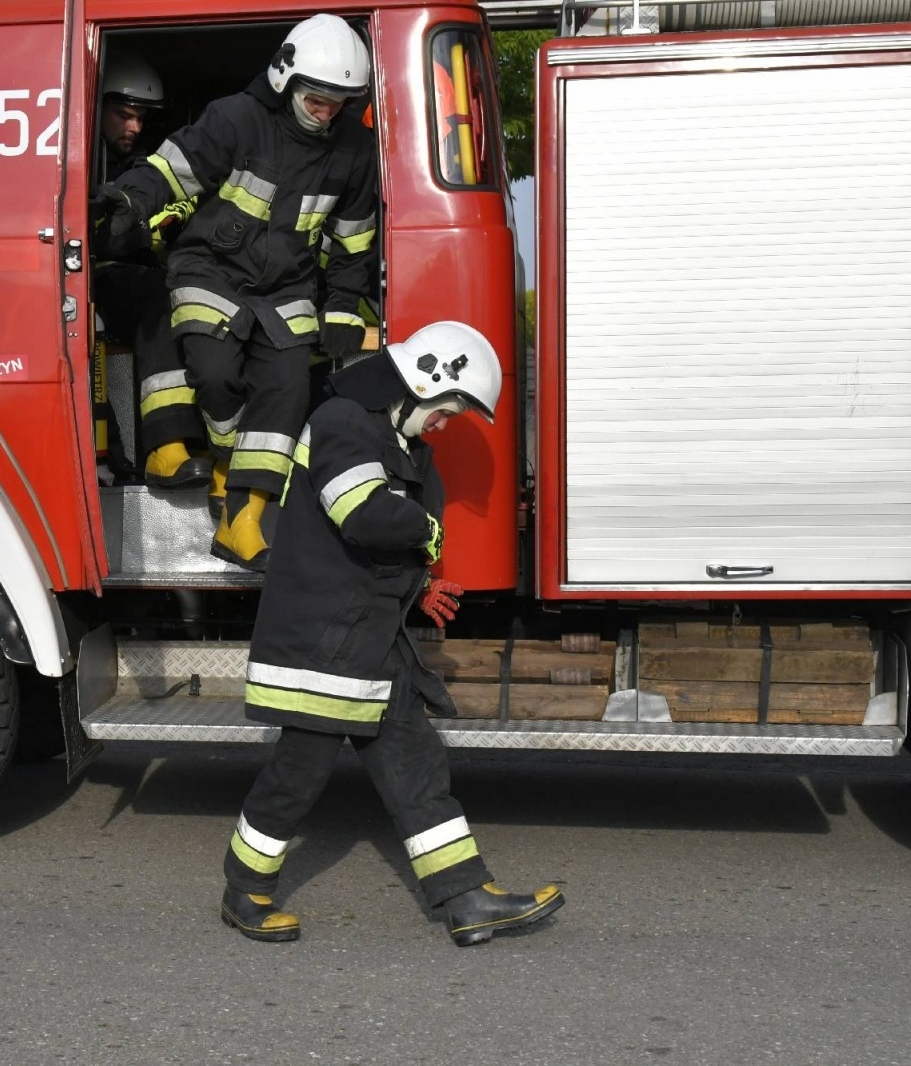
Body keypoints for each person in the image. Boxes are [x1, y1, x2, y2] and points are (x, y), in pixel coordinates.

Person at [219, 321, 565, 947]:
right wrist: (428, 534)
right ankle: (244, 891)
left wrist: (420, 585)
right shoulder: (345, 422)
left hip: (368, 642)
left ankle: (466, 898)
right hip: (324, 647)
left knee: (416, 764)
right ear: (425, 379)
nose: (446, 423)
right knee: (297, 775)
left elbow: (371, 541)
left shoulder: (395, 443)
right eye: (449, 410)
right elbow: (365, 514)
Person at [98, 14, 379, 570]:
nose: (326, 111)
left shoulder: (356, 151)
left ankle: (241, 521)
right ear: (285, 79)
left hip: (290, 286)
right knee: (216, 372)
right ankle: (224, 462)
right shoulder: (235, 119)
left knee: (286, 389)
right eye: (317, 98)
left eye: (339, 102)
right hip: (211, 270)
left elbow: (355, 240)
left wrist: (342, 307)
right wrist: (132, 199)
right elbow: (173, 170)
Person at [92, 51, 211, 490]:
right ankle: (166, 447)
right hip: (99, 279)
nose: (134, 127)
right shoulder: (80, 160)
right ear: (96, 107)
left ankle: (205, 444)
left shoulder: (150, 167)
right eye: (124, 115)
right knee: (156, 298)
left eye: (141, 117)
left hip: (151, 274)